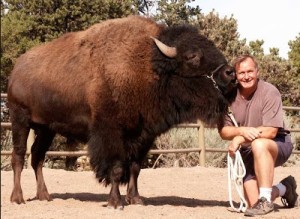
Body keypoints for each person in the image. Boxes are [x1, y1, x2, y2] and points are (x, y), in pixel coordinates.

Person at [218, 54, 298, 216]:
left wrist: (240, 138)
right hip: (247, 152)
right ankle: (284, 188)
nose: (246, 76)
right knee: (252, 203)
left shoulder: (270, 92)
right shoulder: (227, 97)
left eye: (250, 71)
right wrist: (241, 131)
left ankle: (266, 199)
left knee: (259, 143)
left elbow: (271, 131)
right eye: (241, 73)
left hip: (277, 144)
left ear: (257, 72)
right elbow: (223, 131)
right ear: (235, 74)